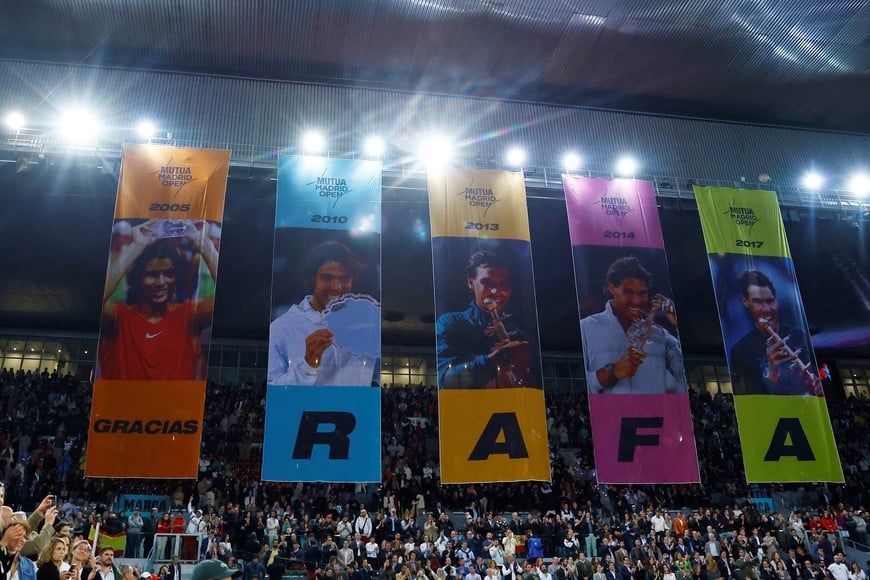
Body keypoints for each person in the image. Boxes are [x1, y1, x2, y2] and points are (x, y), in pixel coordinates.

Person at [98, 219, 218, 380]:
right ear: (137, 277)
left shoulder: (190, 315)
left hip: (176, 405)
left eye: (168, 274)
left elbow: (229, 297)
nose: (161, 283)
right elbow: (98, 298)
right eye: (152, 275)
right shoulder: (118, 317)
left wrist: (200, 241)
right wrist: (136, 246)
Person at [268, 241, 377, 386]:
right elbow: (273, 391)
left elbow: (376, 378)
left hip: (354, 409)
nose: (337, 287)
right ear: (312, 278)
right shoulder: (282, 328)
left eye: (344, 278)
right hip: (307, 409)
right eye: (327, 277)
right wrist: (307, 365)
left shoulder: (367, 325)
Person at [580, 257, 686, 394]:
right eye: (628, 292)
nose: (637, 301)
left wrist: (677, 323)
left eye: (642, 293)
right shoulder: (586, 328)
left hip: (654, 414)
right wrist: (613, 372)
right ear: (611, 287)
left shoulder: (661, 335)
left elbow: (684, 377)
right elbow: (578, 386)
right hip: (608, 414)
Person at [436, 249, 538, 388]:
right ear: (471, 283)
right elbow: (444, 381)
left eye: (504, 284)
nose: (496, 292)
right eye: (487, 283)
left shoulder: (521, 336)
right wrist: (494, 359)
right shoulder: (450, 323)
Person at [729, 270, 822, 396]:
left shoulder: (799, 335)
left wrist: (818, 386)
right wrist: (772, 374)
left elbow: (818, 374)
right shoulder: (741, 350)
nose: (767, 309)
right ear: (745, 301)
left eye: (770, 301)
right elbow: (751, 398)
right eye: (757, 302)